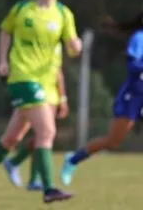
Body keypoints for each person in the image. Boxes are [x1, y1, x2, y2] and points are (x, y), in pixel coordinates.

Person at [0, 0, 82, 204]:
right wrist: (2, 60)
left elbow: (72, 45)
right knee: (47, 131)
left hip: (47, 82)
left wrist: (76, 46)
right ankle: (49, 188)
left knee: (12, 139)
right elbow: (4, 31)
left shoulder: (64, 14)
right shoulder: (22, 10)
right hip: (23, 77)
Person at [60, 11, 143, 185]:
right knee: (113, 141)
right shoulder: (139, 38)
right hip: (134, 96)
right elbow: (133, 65)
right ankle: (73, 159)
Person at [2, 43, 69, 190]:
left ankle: (20, 168)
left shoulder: (56, 41)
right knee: (42, 134)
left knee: (43, 135)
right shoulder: (39, 39)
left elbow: (58, 71)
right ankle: (23, 170)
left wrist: (62, 97)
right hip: (36, 90)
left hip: (51, 93)